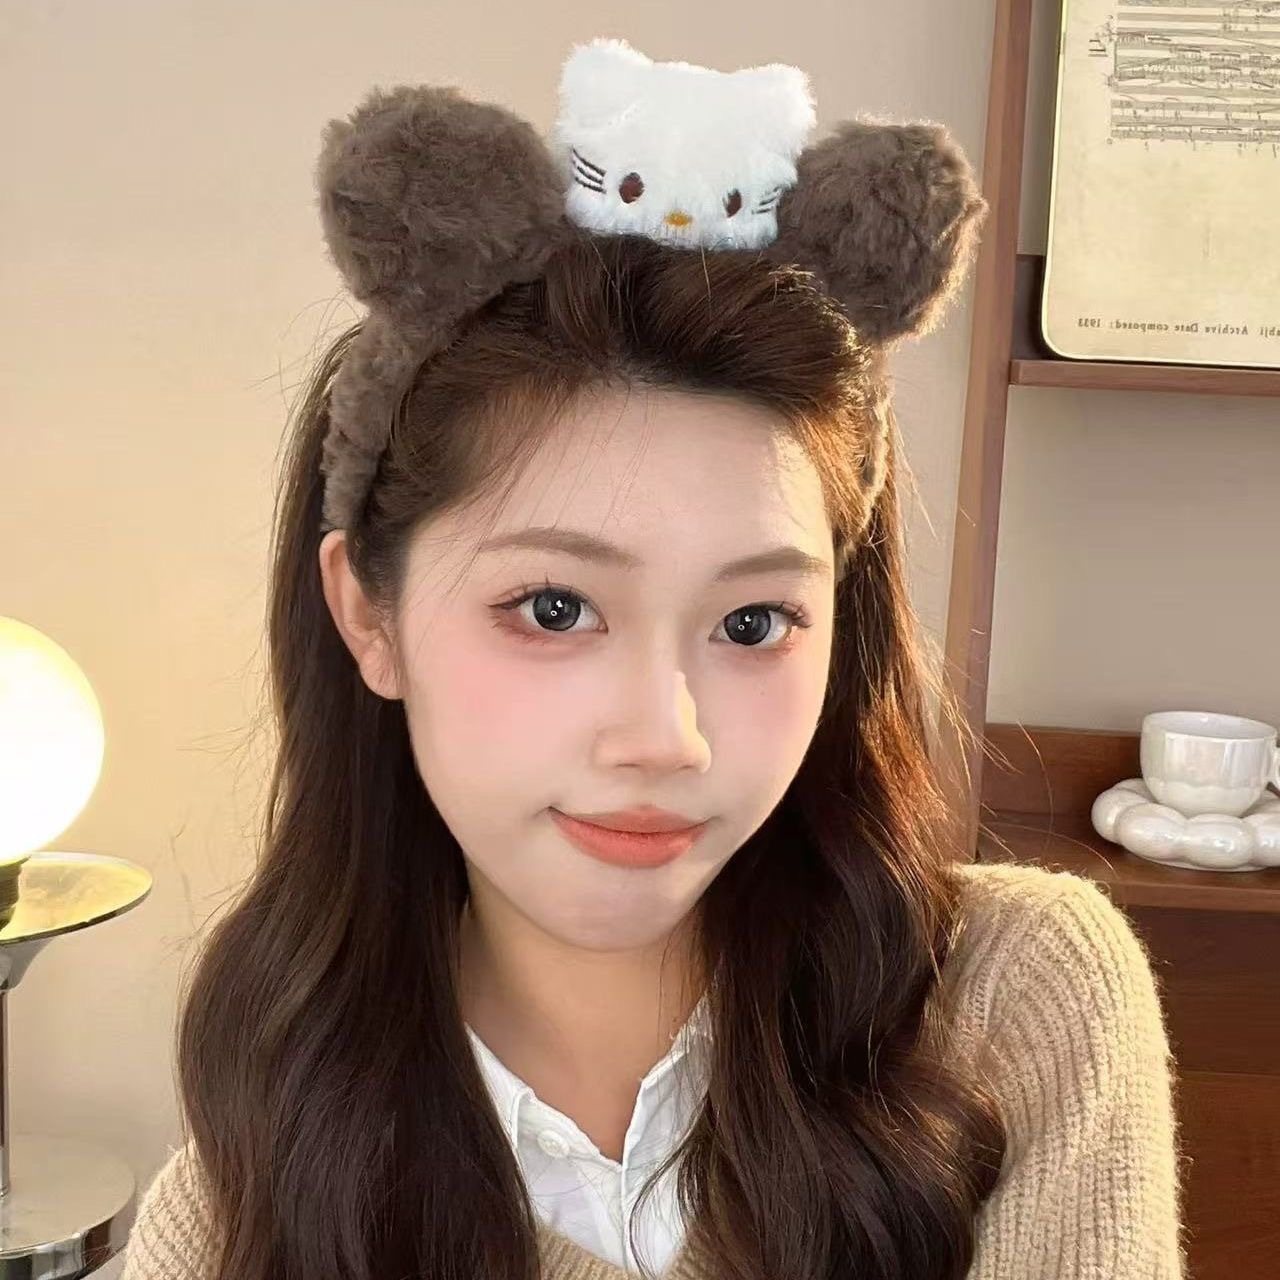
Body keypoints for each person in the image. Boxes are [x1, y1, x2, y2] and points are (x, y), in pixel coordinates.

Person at [120, 38, 1187, 1280]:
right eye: (554, 606)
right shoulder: (259, 1175)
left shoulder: (1011, 1004)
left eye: (752, 623)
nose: (664, 736)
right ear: (369, 615)